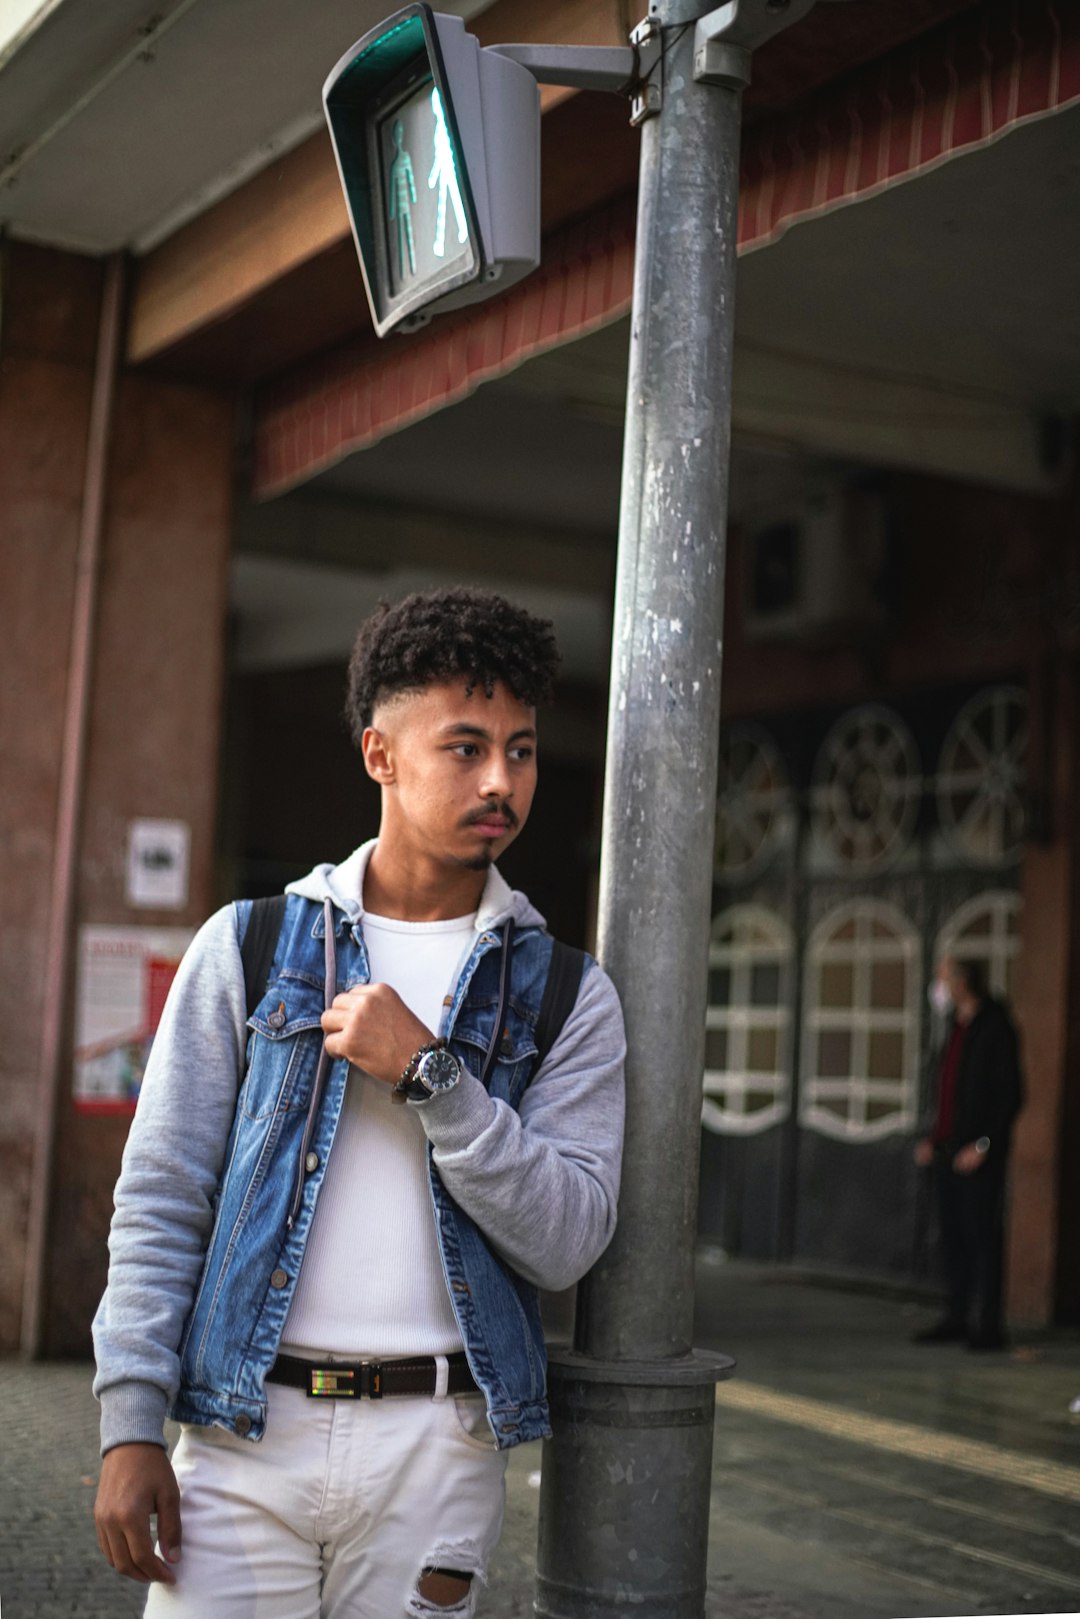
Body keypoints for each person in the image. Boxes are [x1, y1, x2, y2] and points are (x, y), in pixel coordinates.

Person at [92, 587, 626, 1617]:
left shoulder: (566, 991)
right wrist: (130, 1424)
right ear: (380, 754)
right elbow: (162, 1198)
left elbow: (567, 1239)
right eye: (464, 747)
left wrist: (431, 1076)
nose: (501, 781)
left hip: (438, 1448)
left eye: (520, 750)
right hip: (244, 1434)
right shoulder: (249, 947)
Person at [913, 955, 1023, 1351]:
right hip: (947, 1151)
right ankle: (956, 1315)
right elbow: (949, 1093)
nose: (938, 987)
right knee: (953, 1237)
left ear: (962, 982)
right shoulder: (956, 1027)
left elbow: (1009, 1095)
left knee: (982, 1239)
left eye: (942, 978)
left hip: (978, 1155)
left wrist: (983, 1145)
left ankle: (989, 1326)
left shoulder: (995, 1027)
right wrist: (934, 1139)